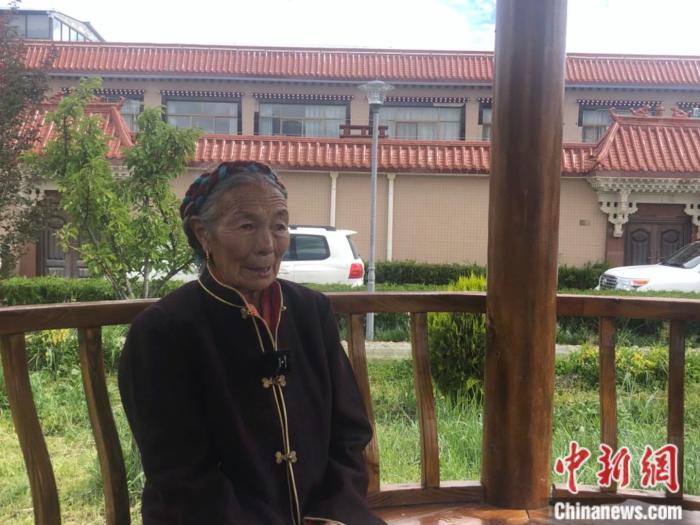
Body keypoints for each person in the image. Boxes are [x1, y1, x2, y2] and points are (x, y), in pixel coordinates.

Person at [118, 161, 386, 525]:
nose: (267, 245)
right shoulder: (163, 332)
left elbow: (349, 433)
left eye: (279, 225)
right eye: (247, 226)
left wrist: (332, 515)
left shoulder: (311, 312)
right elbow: (182, 476)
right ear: (202, 233)